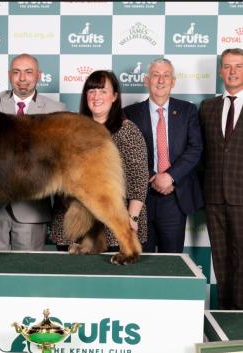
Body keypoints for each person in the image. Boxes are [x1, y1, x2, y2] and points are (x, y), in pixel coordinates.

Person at [51, 70, 148, 252]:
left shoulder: (127, 131)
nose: (96, 97)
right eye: (92, 91)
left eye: (103, 91)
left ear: (114, 97)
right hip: (73, 223)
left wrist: (132, 218)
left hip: (113, 225)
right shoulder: (71, 130)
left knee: (113, 279)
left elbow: (139, 179)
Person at [0, 54, 67, 251]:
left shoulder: (56, 110)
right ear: (9, 75)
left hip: (32, 208)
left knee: (27, 271)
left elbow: (58, 159)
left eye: (28, 72)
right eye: (17, 72)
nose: (22, 78)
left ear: (39, 76)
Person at [124, 58, 203, 253]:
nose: (161, 80)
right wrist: (154, 177)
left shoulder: (188, 111)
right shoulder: (129, 113)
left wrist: (169, 177)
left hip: (175, 197)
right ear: (146, 80)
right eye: (156, 75)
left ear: (173, 81)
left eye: (166, 75)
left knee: (172, 261)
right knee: (142, 260)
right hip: (140, 198)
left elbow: (195, 148)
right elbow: (126, 153)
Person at [199, 48, 243, 310]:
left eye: (238, 66)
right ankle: (227, 319)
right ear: (220, 71)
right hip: (214, 196)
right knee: (222, 262)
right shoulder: (208, 107)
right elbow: (201, 152)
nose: (232, 71)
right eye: (227, 66)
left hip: (242, 197)